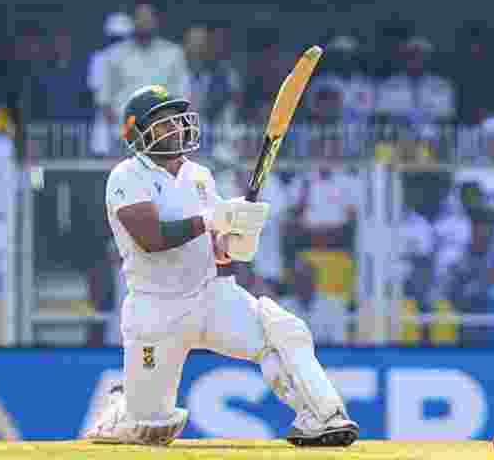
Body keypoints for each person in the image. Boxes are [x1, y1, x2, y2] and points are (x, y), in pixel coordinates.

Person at [84, 85, 358, 447]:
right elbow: (150, 238)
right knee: (150, 429)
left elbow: (216, 244)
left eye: (176, 121)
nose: (176, 129)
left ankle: (321, 416)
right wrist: (210, 218)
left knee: (282, 330)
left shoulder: (199, 175)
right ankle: (121, 411)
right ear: (138, 134)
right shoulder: (125, 176)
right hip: (156, 308)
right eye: (163, 123)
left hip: (211, 295)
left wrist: (233, 239)